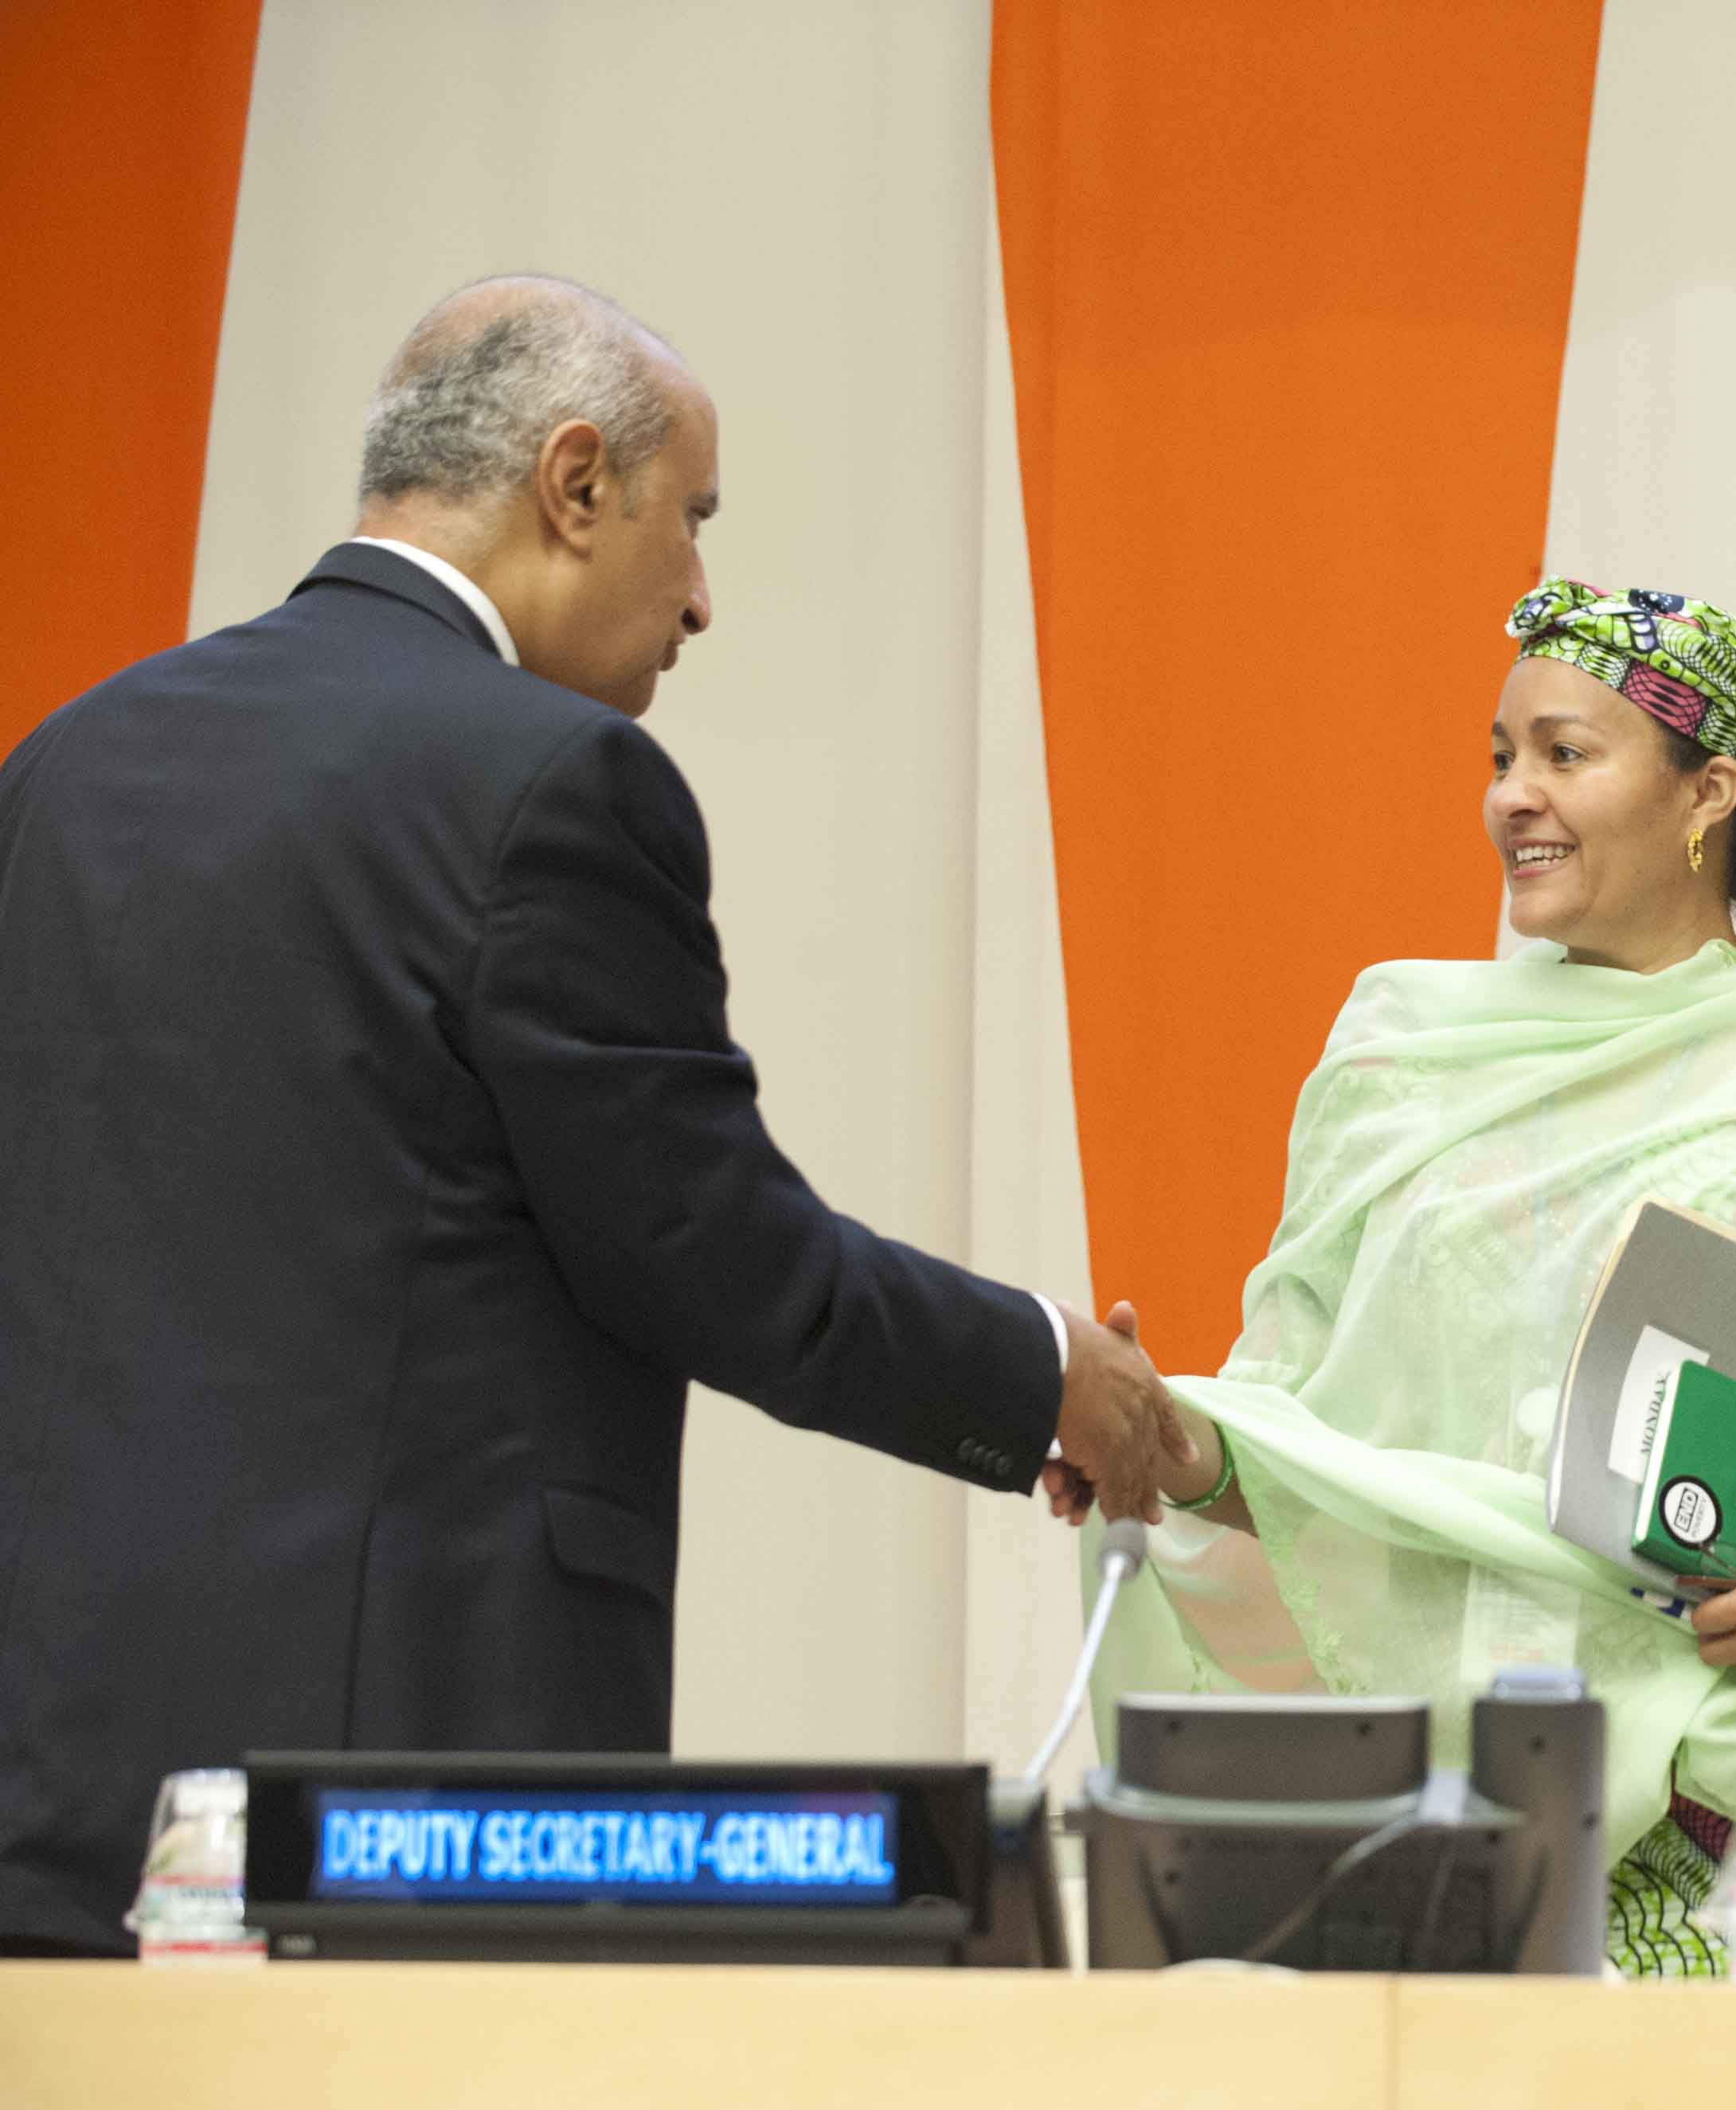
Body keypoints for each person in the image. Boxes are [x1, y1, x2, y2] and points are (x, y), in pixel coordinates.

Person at [0, 276, 1181, 1956]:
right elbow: (708, 1253)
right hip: (390, 1808)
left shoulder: (60, 768)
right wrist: (1045, 1370)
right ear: (573, 483)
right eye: (691, 519)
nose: (698, 597)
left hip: (51, 1784)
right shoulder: (548, 779)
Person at [1047, 580, 1736, 1973]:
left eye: (1564, 753)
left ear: (1708, 792)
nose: (1514, 796)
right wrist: (1170, 1441)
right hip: (1463, 1807)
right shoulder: (1403, 1050)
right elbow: (1313, 1447)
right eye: (1501, 757)